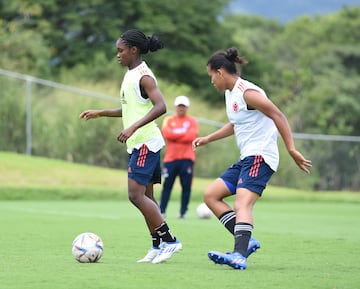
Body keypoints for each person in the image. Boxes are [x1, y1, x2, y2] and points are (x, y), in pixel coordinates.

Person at [192, 47, 312, 270]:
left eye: (211, 76)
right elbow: (237, 123)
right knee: (211, 196)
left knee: (242, 204)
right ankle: (247, 242)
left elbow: (278, 114)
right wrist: (209, 138)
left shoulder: (247, 92)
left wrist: (291, 149)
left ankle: (239, 255)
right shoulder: (231, 94)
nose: (211, 82)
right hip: (247, 158)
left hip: (260, 157)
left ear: (220, 72)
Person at [79, 29, 182, 264]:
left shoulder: (145, 76)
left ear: (133, 50)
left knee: (135, 196)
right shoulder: (130, 74)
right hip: (139, 144)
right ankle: (157, 246)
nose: (118, 55)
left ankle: (171, 240)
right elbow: (130, 108)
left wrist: (132, 128)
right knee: (146, 196)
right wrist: (101, 113)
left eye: (121, 51)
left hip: (145, 143)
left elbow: (161, 107)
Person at [159, 95, 199, 219]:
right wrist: (182, 134)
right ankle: (162, 211)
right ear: (176, 107)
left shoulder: (192, 121)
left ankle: (183, 212)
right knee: (167, 186)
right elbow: (167, 134)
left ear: (187, 108)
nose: (181, 108)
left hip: (187, 158)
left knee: (186, 186)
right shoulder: (169, 120)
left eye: (183, 106)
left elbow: (191, 136)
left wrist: (176, 134)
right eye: (179, 106)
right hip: (171, 159)